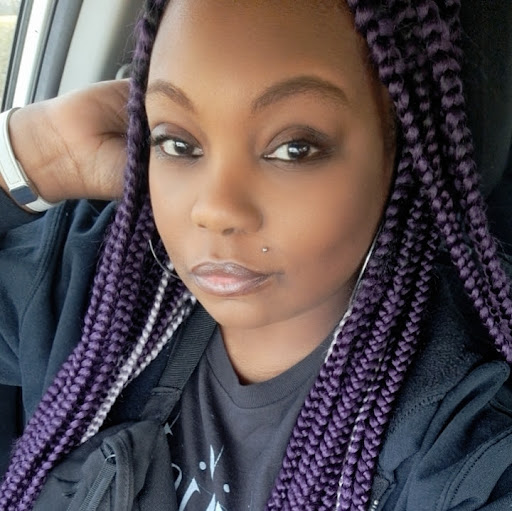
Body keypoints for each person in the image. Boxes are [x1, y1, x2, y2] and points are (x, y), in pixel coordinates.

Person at [0, 0, 511, 509]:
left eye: (294, 148)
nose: (215, 210)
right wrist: (39, 151)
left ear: (398, 148)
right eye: (177, 143)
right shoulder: (93, 284)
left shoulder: (464, 448)